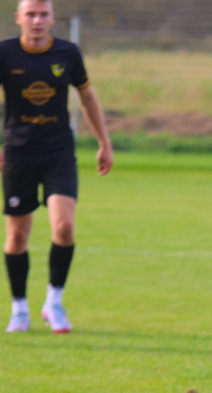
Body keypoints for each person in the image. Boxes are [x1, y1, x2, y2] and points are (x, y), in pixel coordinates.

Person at [2, 0, 113, 334]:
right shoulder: (5, 53)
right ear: (19, 18)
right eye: (31, 14)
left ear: (52, 19)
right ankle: (19, 308)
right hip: (18, 155)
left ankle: (54, 301)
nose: (37, 20)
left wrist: (104, 143)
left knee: (63, 227)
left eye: (44, 14)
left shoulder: (67, 54)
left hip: (58, 153)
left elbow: (87, 97)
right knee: (17, 236)